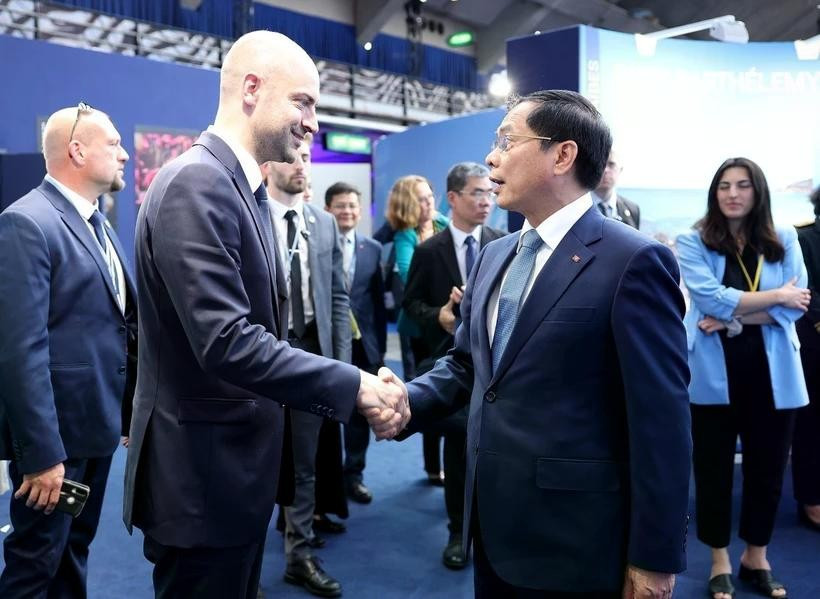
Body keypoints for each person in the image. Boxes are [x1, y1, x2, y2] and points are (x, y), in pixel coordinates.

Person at [123, 30, 408, 599]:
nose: (312, 123)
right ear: (251, 89)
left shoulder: (238, 188)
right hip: (203, 483)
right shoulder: (198, 184)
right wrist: (353, 384)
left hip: (231, 475)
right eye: (303, 102)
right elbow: (226, 340)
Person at [385, 89, 691, 598]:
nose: (491, 157)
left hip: (578, 540)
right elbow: (467, 366)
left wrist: (655, 557)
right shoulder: (495, 255)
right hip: (493, 526)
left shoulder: (633, 261)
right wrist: (404, 400)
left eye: (507, 140)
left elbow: (662, 422)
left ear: (563, 155)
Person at [0, 104, 138, 597]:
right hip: (55, 447)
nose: (125, 154)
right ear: (77, 150)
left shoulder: (99, 226)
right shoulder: (28, 223)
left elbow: (114, 326)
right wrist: (41, 456)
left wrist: (124, 410)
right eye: (114, 144)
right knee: (34, 568)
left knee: (70, 555)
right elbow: (20, 351)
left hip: (94, 432)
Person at [676, 157, 810, 599]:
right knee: (712, 472)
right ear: (714, 194)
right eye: (724, 186)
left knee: (768, 472)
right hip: (715, 376)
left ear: (759, 192)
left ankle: (758, 555)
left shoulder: (785, 238)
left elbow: (797, 307)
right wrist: (773, 298)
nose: (732, 194)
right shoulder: (693, 240)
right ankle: (719, 560)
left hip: (774, 376)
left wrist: (735, 319)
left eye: (743, 185)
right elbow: (710, 300)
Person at [402, 161, 504, 569]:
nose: (487, 201)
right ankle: (458, 532)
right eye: (478, 193)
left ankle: (492, 529)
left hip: (497, 367)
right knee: (459, 449)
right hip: (450, 363)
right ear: (454, 199)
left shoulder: (504, 243)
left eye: (490, 192)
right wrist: (440, 317)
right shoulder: (428, 251)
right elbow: (410, 305)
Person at [261, 134, 351, 597]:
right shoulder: (246, 213)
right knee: (253, 463)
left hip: (312, 358)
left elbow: (337, 297)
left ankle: (298, 556)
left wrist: (342, 370)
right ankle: (244, 563)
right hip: (256, 361)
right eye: (292, 157)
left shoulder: (323, 222)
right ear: (266, 165)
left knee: (306, 465)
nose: (301, 164)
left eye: (307, 158)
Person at [325, 182, 387, 505]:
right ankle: (327, 479)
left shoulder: (371, 248)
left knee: (361, 413)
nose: (347, 211)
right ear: (328, 210)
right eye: (340, 206)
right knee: (324, 413)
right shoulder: (319, 244)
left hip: (364, 345)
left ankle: (355, 476)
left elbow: (377, 303)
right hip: (327, 345)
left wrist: (379, 353)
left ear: (359, 211)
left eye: (352, 206)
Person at [386, 174, 450, 484]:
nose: (428, 203)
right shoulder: (405, 235)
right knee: (427, 391)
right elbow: (410, 274)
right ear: (408, 205)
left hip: (448, 320)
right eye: (421, 199)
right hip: (419, 328)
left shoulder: (442, 224)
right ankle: (430, 465)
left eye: (430, 196)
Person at [793, 185, 820, 531]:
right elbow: (804, 291)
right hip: (814, 341)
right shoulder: (805, 237)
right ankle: (811, 498)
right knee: (812, 425)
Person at [592, 148, 640, 229]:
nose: (605, 170)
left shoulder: (633, 210)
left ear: (620, 170)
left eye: (611, 164)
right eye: (600, 164)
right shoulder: (577, 208)